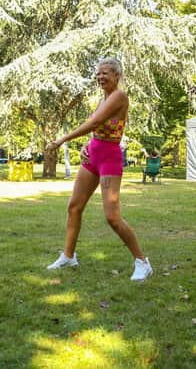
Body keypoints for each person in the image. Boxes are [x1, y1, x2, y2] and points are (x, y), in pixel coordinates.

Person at [45, 57, 153, 281]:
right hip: (92, 156)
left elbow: (94, 123)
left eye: (105, 73)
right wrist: (87, 145)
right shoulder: (103, 99)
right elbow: (98, 128)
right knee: (74, 207)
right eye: (98, 73)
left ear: (117, 76)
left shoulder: (119, 97)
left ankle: (142, 262)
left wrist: (61, 140)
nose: (100, 77)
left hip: (109, 160)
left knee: (112, 217)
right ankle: (68, 256)